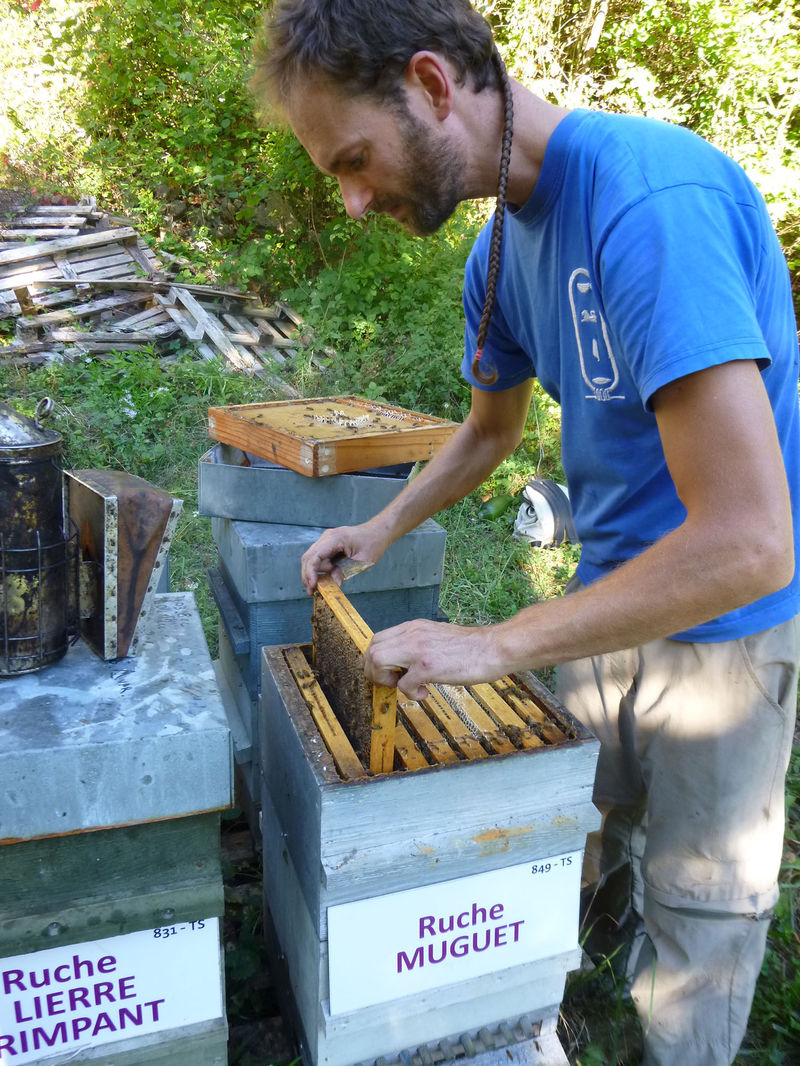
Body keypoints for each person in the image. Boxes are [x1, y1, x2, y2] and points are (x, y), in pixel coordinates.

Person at [250, 2, 800, 1063]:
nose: (354, 202)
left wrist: (492, 645)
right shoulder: (497, 254)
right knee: (570, 842)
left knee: (698, 908)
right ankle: (560, 1005)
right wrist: (380, 526)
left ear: (431, 84)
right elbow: (488, 431)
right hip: (603, 606)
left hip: (725, 636)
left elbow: (748, 540)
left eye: (353, 162)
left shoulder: (649, 206)